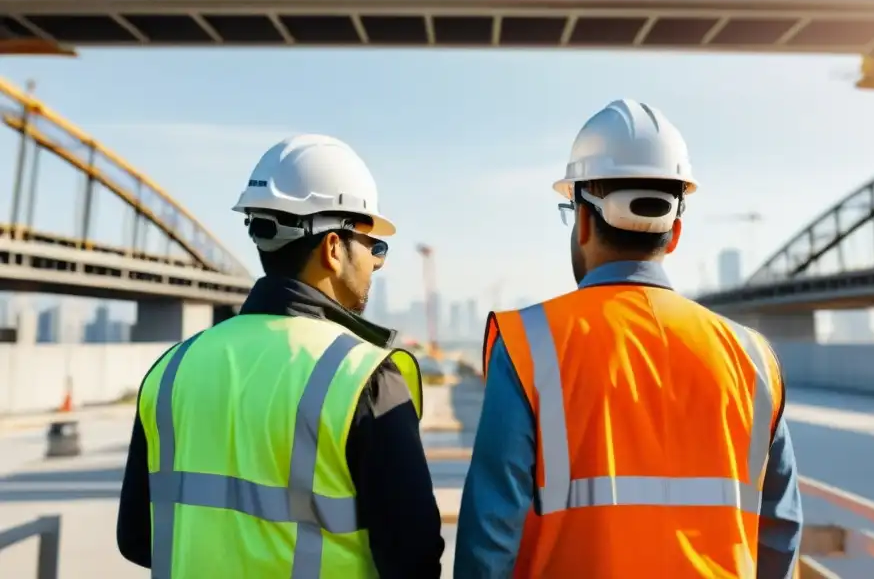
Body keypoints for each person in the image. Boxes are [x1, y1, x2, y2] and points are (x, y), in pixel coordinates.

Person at [454, 99, 803, 577]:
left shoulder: (529, 344)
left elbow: (489, 540)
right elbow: (779, 533)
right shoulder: (752, 359)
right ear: (675, 231)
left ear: (581, 221)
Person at [117, 134, 444, 577]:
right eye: (373, 246)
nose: (376, 262)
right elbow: (413, 558)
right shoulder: (362, 376)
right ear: (333, 247)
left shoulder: (172, 370)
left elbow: (138, 538)